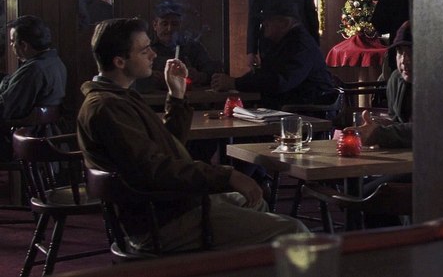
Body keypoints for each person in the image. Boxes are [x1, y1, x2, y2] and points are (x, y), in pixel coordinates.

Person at [77, 18, 306, 252]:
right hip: (162, 220)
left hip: (171, 205)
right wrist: (226, 175)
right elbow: (155, 170)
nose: (154, 55)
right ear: (119, 61)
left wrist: (176, 95)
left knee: (255, 201)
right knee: (295, 232)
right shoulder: (107, 107)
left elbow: (167, 147)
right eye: (144, 50)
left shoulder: (120, 97)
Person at [213, 3, 334, 110]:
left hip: (308, 112)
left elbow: (280, 82)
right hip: (289, 109)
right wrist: (237, 82)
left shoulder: (300, 45)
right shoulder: (285, 42)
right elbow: (267, 73)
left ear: (285, 23)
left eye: (269, 20)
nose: (264, 24)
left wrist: (235, 83)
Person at [0, 16, 67, 158]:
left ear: (24, 45)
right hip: (45, 134)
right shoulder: (54, 61)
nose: (11, 46)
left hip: (27, 138)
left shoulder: (33, 69)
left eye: (12, 42)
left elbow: (5, 109)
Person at [134, 1, 223, 92]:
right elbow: (131, 75)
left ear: (180, 25)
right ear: (155, 25)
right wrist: (149, 76)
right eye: (164, 24)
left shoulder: (193, 47)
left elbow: (213, 72)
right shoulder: (145, 48)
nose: (169, 29)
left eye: (174, 24)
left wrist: (200, 76)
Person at [356, 20, 413, 148]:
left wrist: (381, 134)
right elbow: (401, 124)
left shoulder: (442, 83)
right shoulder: (396, 80)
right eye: (400, 51)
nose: (404, 60)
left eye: (411, 50)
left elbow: (429, 130)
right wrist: (383, 124)